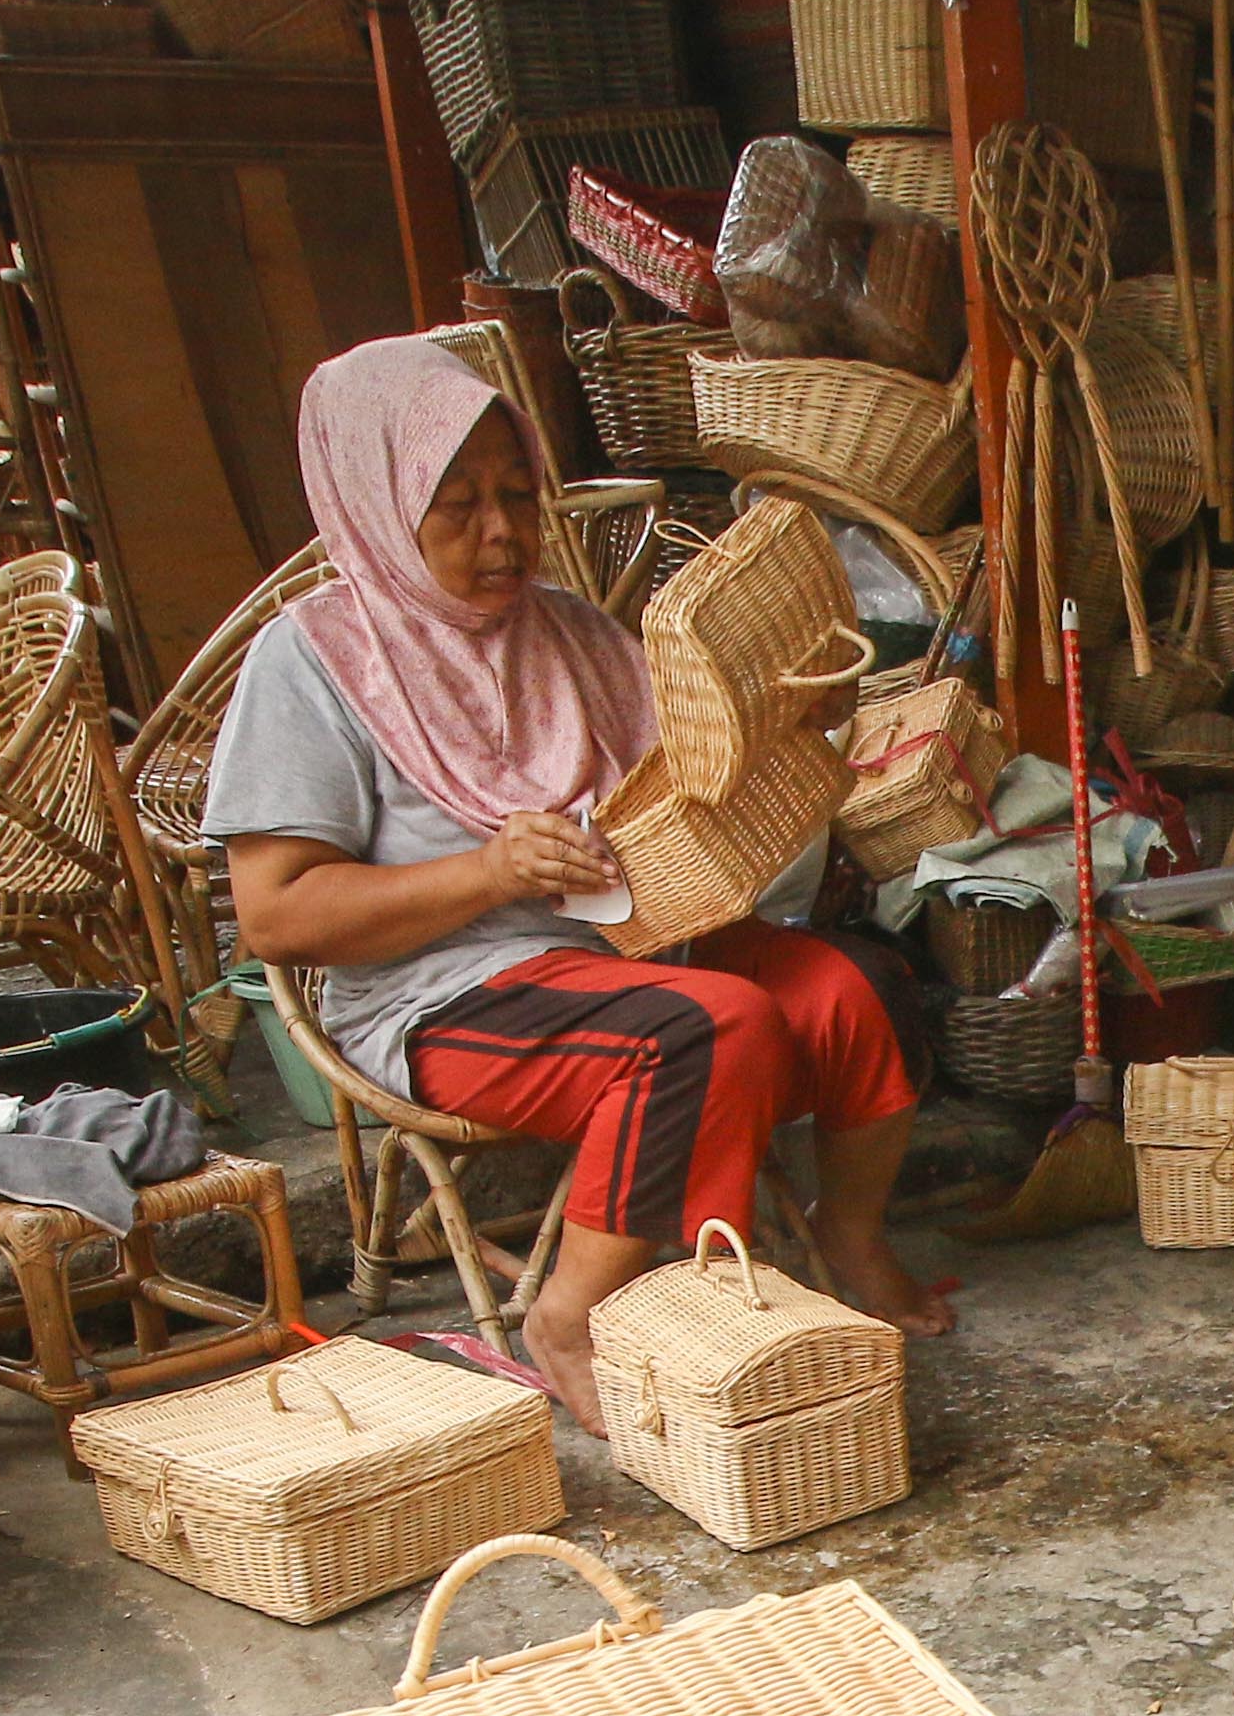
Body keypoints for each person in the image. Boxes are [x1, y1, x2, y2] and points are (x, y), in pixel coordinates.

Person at [211, 339, 950, 1437]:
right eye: (457, 506)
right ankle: (573, 1316)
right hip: (443, 988)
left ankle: (849, 1236)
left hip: (633, 939)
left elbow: (681, 792)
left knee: (860, 986)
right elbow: (275, 914)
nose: (502, 531)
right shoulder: (312, 663)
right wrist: (487, 871)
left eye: (518, 494)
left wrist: (792, 724)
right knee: (703, 1030)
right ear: (376, 505)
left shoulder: (567, 631)